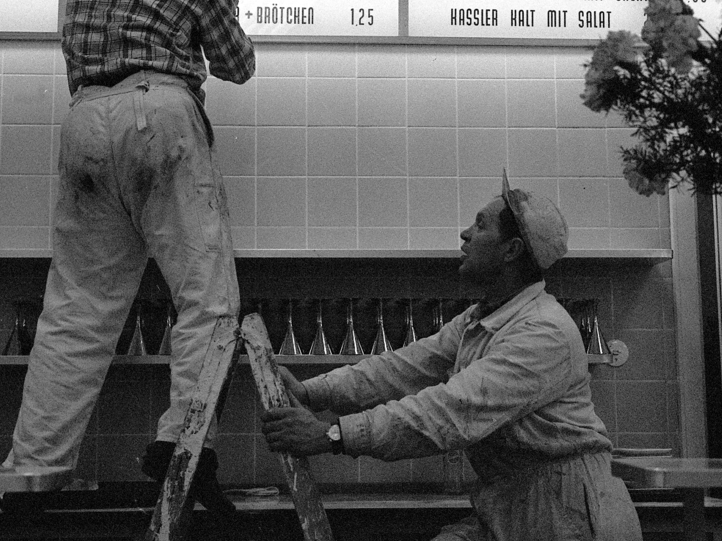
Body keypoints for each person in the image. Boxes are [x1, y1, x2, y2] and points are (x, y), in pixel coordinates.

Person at [6, 0, 255, 522]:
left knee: (75, 310)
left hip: (85, 117)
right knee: (207, 299)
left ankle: (31, 475)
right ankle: (184, 446)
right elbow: (238, 64)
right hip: (163, 111)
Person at [261, 172, 642, 541]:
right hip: (516, 506)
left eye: (480, 226)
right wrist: (312, 393)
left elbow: (449, 411)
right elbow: (401, 367)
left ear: (511, 250)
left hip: (569, 515)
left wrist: (332, 435)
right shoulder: (482, 318)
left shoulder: (543, 332)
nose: (465, 234)